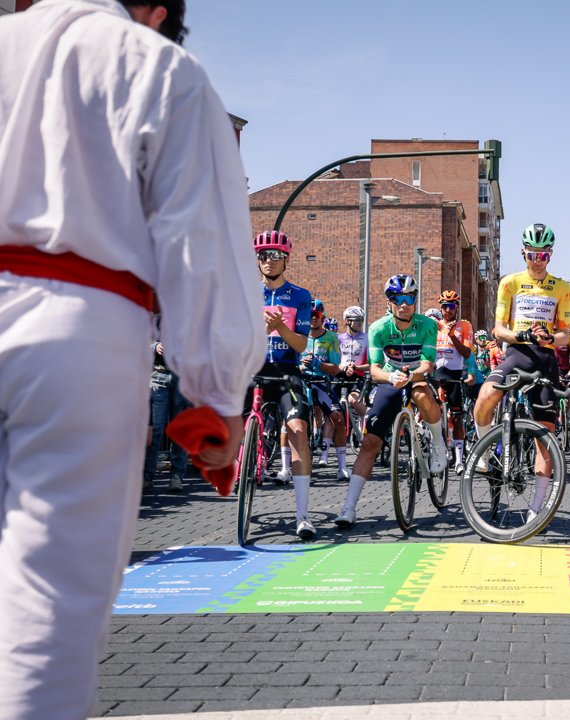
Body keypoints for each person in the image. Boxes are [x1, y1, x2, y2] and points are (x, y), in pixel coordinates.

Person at [0, 2, 265, 717]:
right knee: (46, 603)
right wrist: (218, 396)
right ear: (154, 11)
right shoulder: (158, 67)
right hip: (74, 329)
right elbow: (200, 244)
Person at [473, 223, 570, 519]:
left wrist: (550, 338)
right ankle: (485, 451)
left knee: (545, 437)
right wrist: (522, 335)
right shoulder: (510, 283)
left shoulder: (562, 288)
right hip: (517, 354)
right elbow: (498, 329)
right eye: (532, 254)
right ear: (523, 253)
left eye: (543, 255)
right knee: (485, 395)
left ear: (550, 255)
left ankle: (536, 508)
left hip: (545, 359)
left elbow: (565, 335)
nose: (537, 260)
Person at [335, 274, 445, 527]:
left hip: (417, 377)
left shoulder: (428, 325)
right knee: (370, 442)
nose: (404, 304)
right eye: (397, 299)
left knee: (420, 394)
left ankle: (438, 442)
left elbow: (428, 364)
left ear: (415, 301)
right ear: (389, 302)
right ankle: (348, 507)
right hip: (390, 379)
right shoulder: (378, 328)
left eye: (409, 299)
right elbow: (374, 369)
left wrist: (411, 376)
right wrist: (390, 376)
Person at [253, 231, 317, 537]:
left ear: (286, 260)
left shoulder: (300, 296)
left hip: (286, 371)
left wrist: (279, 327)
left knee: (298, 431)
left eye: (276, 255)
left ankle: (302, 515)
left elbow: (301, 345)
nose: (269, 261)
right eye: (263, 256)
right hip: (252, 367)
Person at [302, 299, 347, 481]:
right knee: (288, 424)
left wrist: (317, 364)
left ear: (322, 318)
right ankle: (285, 469)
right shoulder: (298, 335)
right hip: (302, 381)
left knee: (338, 418)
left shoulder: (331, 338)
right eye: (309, 315)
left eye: (316, 315)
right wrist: (300, 366)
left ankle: (342, 467)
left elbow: (335, 369)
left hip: (321, 382)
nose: (313, 318)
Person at [143, 334, 191, 493]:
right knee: (155, 430)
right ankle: (147, 477)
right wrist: (155, 347)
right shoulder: (155, 320)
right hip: (158, 374)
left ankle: (177, 477)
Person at [434, 290, 473, 474]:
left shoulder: (464, 325)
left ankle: (458, 459)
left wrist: (452, 335)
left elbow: (466, 353)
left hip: (454, 375)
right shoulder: (434, 325)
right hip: (436, 374)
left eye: (451, 306)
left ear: (456, 308)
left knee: (457, 418)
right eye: (444, 306)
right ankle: (438, 453)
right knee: (433, 416)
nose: (447, 310)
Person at [337, 305, 370, 429]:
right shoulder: (338, 339)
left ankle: (369, 425)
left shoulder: (367, 339)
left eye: (361, 319)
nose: (360, 322)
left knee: (353, 400)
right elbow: (334, 361)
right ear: (347, 321)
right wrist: (344, 368)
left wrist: (356, 368)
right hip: (339, 375)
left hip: (358, 376)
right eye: (357, 319)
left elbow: (371, 364)